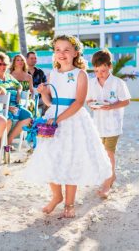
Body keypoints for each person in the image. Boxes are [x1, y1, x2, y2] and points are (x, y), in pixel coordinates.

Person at [24, 35, 112, 218]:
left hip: (72, 120)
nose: (62, 53)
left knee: (71, 160)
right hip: (52, 118)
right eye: (58, 50)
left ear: (75, 53)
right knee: (50, 156)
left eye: (66, 50)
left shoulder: (81, 74)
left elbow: (79, 102)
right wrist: (42, 94)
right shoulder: (53, 74)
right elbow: (49, 102)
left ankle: (69, 203)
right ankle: (56, 196)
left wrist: (58, 119)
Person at [87, 49, 131, 199]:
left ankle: (107, 184)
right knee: (101, 153)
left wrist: (111, 106)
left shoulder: (118, 83)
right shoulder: (91, 83)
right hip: (97, 125)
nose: (100, 74)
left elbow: (126, 101)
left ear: (110, 67)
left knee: (109, 153)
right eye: (97, 71)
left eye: (104, 70)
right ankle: (111, 176)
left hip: (113, 125)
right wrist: (92, 105)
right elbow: (88, 100)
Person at [0, 53, 32, 147]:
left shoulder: (9, 76)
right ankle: (2, 145)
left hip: (14, 105)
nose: (2, 66)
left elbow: (19, 85)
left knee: (28, 116)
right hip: (0, 108)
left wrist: (19, 94)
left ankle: (9, 140)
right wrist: (7, 107)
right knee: (8, 119)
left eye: (4, 64)